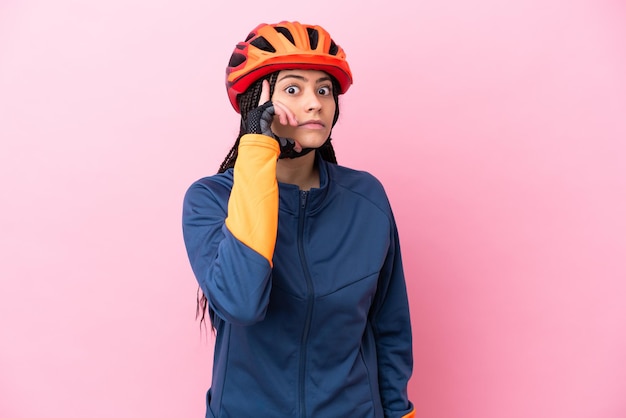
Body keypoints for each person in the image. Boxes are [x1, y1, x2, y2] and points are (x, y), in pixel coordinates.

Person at [182, 21, 414, 418]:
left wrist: (399, 413)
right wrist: (258, 146)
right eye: (293, 89)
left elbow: (389, 325)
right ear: (259, 101)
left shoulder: (366, 198)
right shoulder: (210, 199)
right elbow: (241, 303)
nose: (315, 103)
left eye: (324, 90)